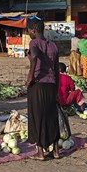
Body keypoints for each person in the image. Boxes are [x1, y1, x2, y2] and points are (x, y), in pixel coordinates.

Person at [25, 17, 60, 161]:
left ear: (33, 30)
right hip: (51, 84)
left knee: (37, 117)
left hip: (38, 84)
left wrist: (30, 77)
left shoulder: (34, 42)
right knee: (52, 116)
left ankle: (40, 152)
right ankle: (56, 150)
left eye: (28, 31)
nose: (28, 34)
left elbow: (33, 56)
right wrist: (57, 89)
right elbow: (57, 69)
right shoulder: (53, 45)